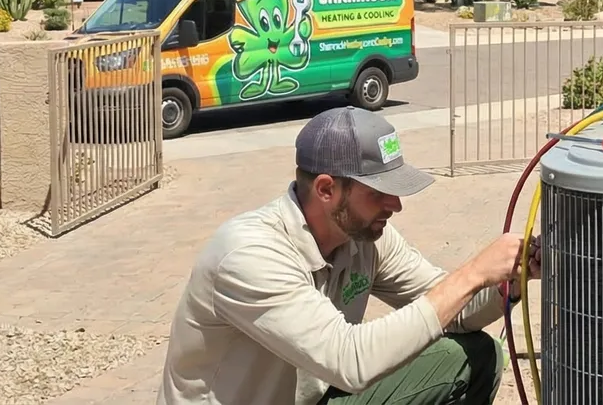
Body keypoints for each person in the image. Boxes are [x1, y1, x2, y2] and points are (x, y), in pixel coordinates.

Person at [159, 106, 536, 405]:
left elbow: (455, 312)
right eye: (379, 192)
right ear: (326, 189)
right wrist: (470, 273)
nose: (396, 205)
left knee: (476, 354)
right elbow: (352, 362)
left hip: (319, 396)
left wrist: (504, 285)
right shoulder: (250, 255)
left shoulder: (364, 237)